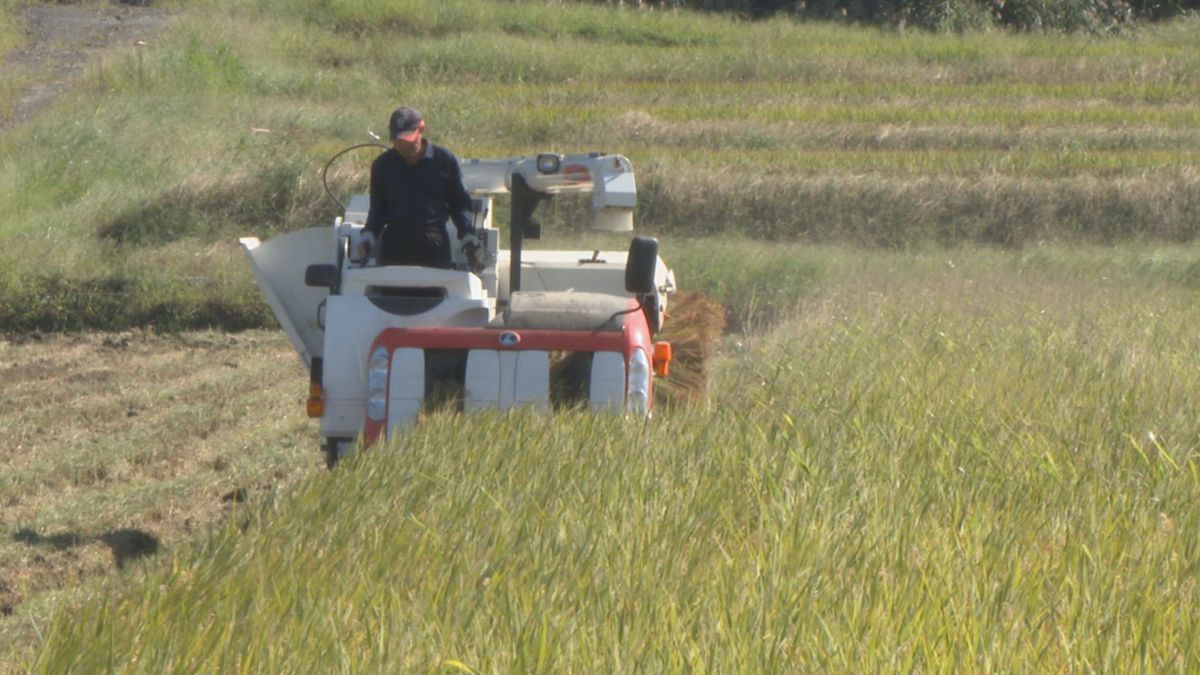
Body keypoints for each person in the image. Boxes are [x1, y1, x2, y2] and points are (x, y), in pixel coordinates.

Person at [360, 106, 479, 268]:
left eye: (408, 139)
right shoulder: (383, 165)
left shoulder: (444, 161)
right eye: (398, 141)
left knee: (433, 291)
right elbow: (378, 208)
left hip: (433, 242)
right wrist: (369, 234)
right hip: (395, 243)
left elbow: (459, 203)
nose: (404, 147)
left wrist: (467, 234)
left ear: (421, 128)